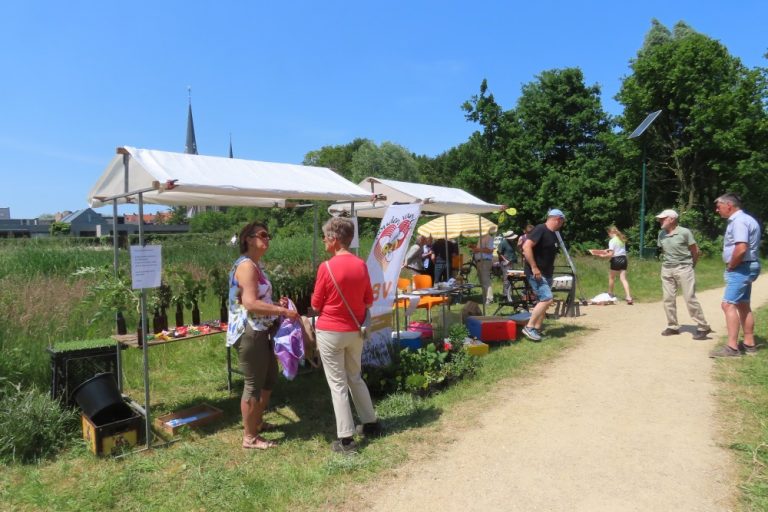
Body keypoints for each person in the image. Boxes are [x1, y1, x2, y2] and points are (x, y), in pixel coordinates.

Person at [312, 217, 382, 454]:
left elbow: (315, 303)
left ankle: (346, 439)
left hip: (330, 330)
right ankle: (370, 422)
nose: (323, 240)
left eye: (325, 236)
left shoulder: (326, 267)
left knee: (338, 385)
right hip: (355, 330)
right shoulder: (360, 264)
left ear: (333, 239)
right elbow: (368, 300)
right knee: (355, 376)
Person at [227, 221, 300, 450]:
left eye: (269, 235)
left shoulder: (256, 265)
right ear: (247, 239)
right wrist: (282, 311)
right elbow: (249, 303)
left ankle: (256, 423)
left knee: (269, 379)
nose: (267, 239)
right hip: (250, 331)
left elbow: (257, 297)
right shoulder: (247, 266)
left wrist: (274, 303)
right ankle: (249, 437)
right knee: (253, 384)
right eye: (262, 235)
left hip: (262, 329)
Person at [710, 193, 762, 358]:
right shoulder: (747, 219)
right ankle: (749, 344)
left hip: (741, 267)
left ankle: (732, 348)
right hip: (749, 265)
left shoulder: (738, 222)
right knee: (742, 304)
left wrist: (732, 265)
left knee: (728, 305)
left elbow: (741, 248)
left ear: (729, 206)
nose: (717, 210)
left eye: (719, 207)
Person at [655, 209, 712, 340]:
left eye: (663, 218)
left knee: (689, 297)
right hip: (667, 268)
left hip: (684, 268)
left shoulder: (685, 232)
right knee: (668, 298)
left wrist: (691, 266)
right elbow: (664, 251)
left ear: (672, 219)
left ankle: (703, 326)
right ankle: (672, 326)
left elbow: (695, 251)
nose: (660, 221)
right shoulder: (661, 234)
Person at [521, 209, 566, 341]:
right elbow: (526, 247)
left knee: (544, 301)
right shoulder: (540, 229)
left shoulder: (554, 234)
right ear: (558, 219)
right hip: (537, 272)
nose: (562, 224)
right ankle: (529, 327)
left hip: (547, 272)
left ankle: (537, 328)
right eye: (562, 221)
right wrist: (534, 268)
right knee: (547, 299)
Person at [591, 226, 634, 305]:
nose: (608, 235)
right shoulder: (621, 240)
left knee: (611, 277)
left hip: (616, 260)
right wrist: (606, 250)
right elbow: (617, 249)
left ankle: (610, 293)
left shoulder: (612, 241)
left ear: (611, 233)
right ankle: (628, 297)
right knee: (623, 279)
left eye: (608, 234)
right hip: (624, 259)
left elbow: (611, 254)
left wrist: (602, 256)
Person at [470, 230, 495, 305]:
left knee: (485, 281)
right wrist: (474, 248)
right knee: (482, 281)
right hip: (480, 261)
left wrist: (477, 249)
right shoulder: (481, 238)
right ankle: (485, 298)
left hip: (485, 261)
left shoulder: (488, 238)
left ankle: (489, 299)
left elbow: (490, 250)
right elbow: (482, 250)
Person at [497, 230, 519, 301]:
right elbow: (499, 253)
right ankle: (505, 295)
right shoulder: (503, 243)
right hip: (505, 263)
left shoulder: (512, 243)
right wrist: (506, 260)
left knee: (511, 279)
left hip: (511, 262)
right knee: (506, 280)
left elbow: (515, 250)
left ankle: (509, 294)